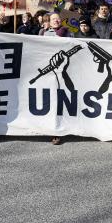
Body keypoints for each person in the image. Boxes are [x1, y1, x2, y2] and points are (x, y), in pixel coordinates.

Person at [40, 12, 72, 145]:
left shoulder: (68, 32)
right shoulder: (44, 33)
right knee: (51, 100)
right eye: (53, 19)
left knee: (62, 99)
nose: (56, 21)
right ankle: (54, 131)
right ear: (50, 21)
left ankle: (62, 128)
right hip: (49, 71)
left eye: (58, 19)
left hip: (65, 70)